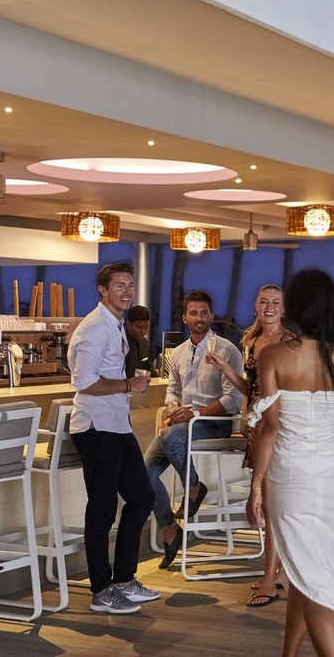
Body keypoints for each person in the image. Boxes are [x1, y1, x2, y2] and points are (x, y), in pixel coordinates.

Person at [247, 269, 334, 657]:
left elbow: (269, 428)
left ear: (296, 308)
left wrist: (256, 486)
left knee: (312, 579)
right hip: (333, 477)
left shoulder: (273, 356)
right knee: (310, 574)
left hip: (290, 474)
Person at [68, 262, 158, 615]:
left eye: (130, 284)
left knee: (141, 498)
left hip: (116, 426)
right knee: (103, 509)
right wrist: (127, 385)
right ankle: (101, 589)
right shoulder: (94, 329)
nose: (127, 290)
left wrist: (126, 387)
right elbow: (84, 382)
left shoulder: (115, 325)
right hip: (94, 428)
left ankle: (123, 579)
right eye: (119, 285)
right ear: (103, 290)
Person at [207, 283, 293, 607]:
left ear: (284, 309)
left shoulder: (288, 342)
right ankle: (276, 572)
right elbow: (252, 389)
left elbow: (282, 392)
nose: (269, 307)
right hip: (256, 426)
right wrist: (227, 369)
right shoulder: (252, 341)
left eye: (276, 302)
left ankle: (271, 578)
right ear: (256, 306)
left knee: (271, 505)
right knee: (271, 505)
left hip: (278, 426)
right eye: (264, 301)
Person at [148, 289, 243, 570]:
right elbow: (172, 390)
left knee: (169, 435)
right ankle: (169, 527)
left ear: (211, 316)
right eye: (194, 313)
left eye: (204, 312)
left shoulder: (226, 350)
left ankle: (193, 487)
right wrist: (171, 409)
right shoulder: (177, 353)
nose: (199, 318)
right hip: (181, 427)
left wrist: (196, 413)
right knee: (143, 475)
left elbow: (233, 400)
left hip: (215, 424)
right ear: (184, 318)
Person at [124, 305, 155, 378]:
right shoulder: (121, 343)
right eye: (139, 327)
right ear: (128, 324)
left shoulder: (144, 342)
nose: (144, 331)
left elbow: (148, 368)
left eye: (147, 327)